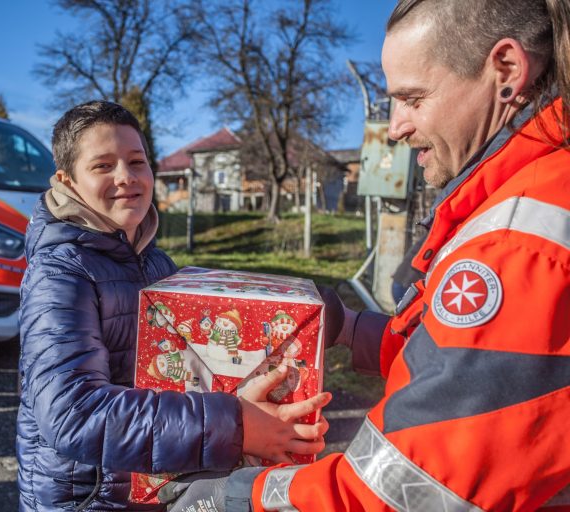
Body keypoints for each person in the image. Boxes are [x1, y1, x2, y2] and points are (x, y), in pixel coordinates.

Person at [164, 0, 570, 510]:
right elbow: (474, 369)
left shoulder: (517, 244)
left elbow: (403, 490)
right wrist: (352, 330)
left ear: (506, 69)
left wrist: (237, 496)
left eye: (413, 98)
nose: (396, 127)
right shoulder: (532, 196)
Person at [16, 100, 332, 511]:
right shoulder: (59, 274)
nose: (125, 177)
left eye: (136, 161)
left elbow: (188, 367)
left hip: (152, 485)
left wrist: (258, 399)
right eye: (102, 166)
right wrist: (236, 423)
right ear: (66, 180)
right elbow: (73, 413)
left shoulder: (156, 262)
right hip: (89, 500)